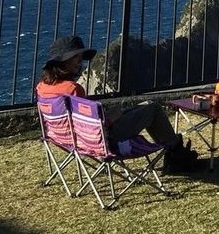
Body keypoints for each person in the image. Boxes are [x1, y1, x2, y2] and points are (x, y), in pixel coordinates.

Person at [36, 35, 201, 172]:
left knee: (140, 107)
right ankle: (176, 153)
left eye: (80, 57)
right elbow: (92, 128)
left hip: (68, 139)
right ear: (61, 62)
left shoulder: (42, 88)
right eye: (75, 57)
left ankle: (174, 152)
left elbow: (80, 122)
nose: (79, 61)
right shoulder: (73, 89)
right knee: (153, 109)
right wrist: (112, 117)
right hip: (103, 139)